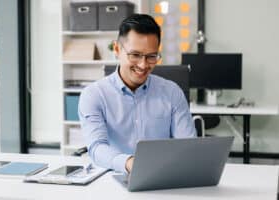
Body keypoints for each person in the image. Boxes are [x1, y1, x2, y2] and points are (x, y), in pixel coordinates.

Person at [79, 14, 196, 174]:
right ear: (117, 49)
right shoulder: (93, 95)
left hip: (163, 176)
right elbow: (97, 148)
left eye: (151, 57)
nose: (143, 65)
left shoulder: (172, 92)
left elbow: (187, 145)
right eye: (135, 55)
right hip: (113, 176)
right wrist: (128, 163)